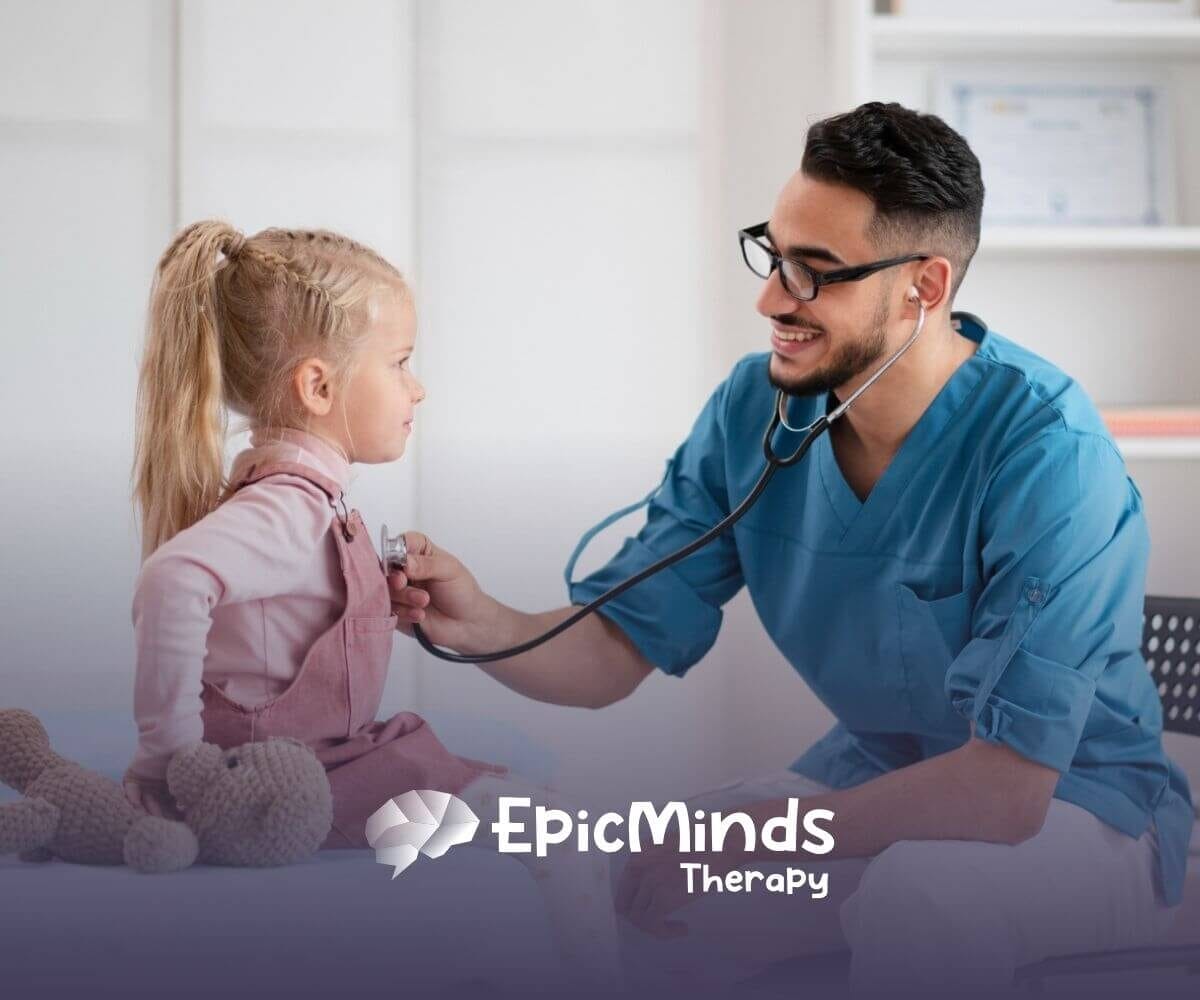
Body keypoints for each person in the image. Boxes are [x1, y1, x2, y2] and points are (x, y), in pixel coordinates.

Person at [386, 102, 1195, 991]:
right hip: (884, 783)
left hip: (1081, 814)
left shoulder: (1049, 455)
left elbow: (1007, 794)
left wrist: (764, 832)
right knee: (651, 878)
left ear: (924, 287)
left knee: (919, 896)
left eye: (815, 273)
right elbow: (616, 651)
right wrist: (480, 624)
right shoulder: (757, 407)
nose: (772, 298)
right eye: (773, 256)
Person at [121, 221, 620, 989]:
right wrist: (169, 762)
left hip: (320, 757)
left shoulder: (300, 502)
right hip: (296, 773)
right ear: (319, 387)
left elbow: (273, 639)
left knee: (524, 788)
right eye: (400, 364)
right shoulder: (289, 508)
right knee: (559, 831)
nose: (416, 387)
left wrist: (363, 609)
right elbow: (171, 581)